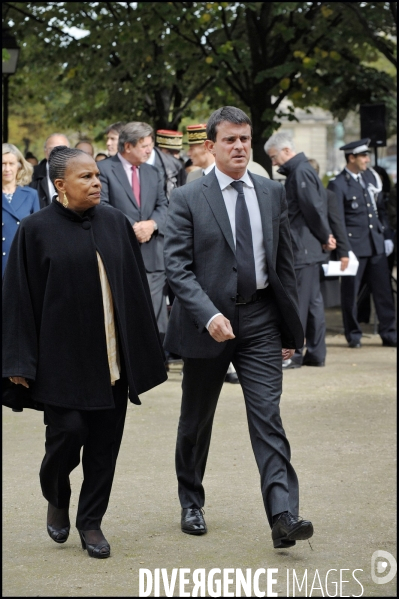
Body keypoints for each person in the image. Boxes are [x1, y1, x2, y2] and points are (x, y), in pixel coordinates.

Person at [2, 146, 167, 559]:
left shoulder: (115, 223)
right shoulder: (34, 230)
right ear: (60, 185)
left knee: (104, 448)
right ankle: (57, 494)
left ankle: (90, 522)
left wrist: (145, 353)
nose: (97, 183)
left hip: (113, 363)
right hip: (61, 365)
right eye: (86, 178)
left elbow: (135, 293)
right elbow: (18, 300)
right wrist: (19, 363)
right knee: (68, 435)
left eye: (97, 175)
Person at [164, 106, 313, 549]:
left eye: (245, 139)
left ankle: (283, 515)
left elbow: (283, 265)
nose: (240, 147)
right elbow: (177, 266)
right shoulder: (189, 197)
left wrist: (291, 330)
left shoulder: (271, 193)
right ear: (210, 146)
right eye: (230, 139)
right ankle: (191, 499)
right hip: (207, 323)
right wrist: (208, 315)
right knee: (196, 419)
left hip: (262, 320)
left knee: (268, 417)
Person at [265, 132, 335, 369]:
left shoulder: (300, 172)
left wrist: (325, 236)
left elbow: (313, 209)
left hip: (302, 247)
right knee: (313, 303)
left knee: (300, 304)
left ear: (286, 151)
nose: (274, 163)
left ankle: (295, 354)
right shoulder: (303, 170)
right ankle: (316, 353)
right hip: (308, 247)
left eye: (274, 157)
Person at [98, 122, 169, 345]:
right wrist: (134, 227)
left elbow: (165, 205)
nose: (150, 151)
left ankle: (154, 357)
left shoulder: (154, 171)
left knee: (153, 311)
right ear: (128, 146)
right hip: (119, 252)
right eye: (145, 146)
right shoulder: (103, 169)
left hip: (152, 254)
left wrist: (152, 225)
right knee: (124, 311)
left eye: (151, 145)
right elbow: (102, 205)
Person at [327, 139, 397, 348]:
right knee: (351, 294)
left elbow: (379, 209)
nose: (367, 160)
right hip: (354, 247)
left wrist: (385, 235)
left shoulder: (369, 177)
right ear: (352, 158)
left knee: (383, 292)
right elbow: (337, 219)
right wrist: (344, 250)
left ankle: (390, 333)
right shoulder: (337, 184)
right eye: (363, 156)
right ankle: (354, 334)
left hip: (375, 244)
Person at [2, 143, 40, 276]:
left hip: (20, 264)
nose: (7, 169)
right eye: (3, 163)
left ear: (19, 166)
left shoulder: (31, 195)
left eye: (11, 164)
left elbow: (37, 234)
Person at [29, 133, 70, 207]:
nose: (57, 153)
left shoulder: (77, 174)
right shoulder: (32, 175)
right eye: (52, 149)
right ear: (45, 152)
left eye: (62, 149)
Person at [147, 129, 187, 198]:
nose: (174, 157)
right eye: (170, 152)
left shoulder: (180, 168)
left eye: (177, 152)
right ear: (159, 151)